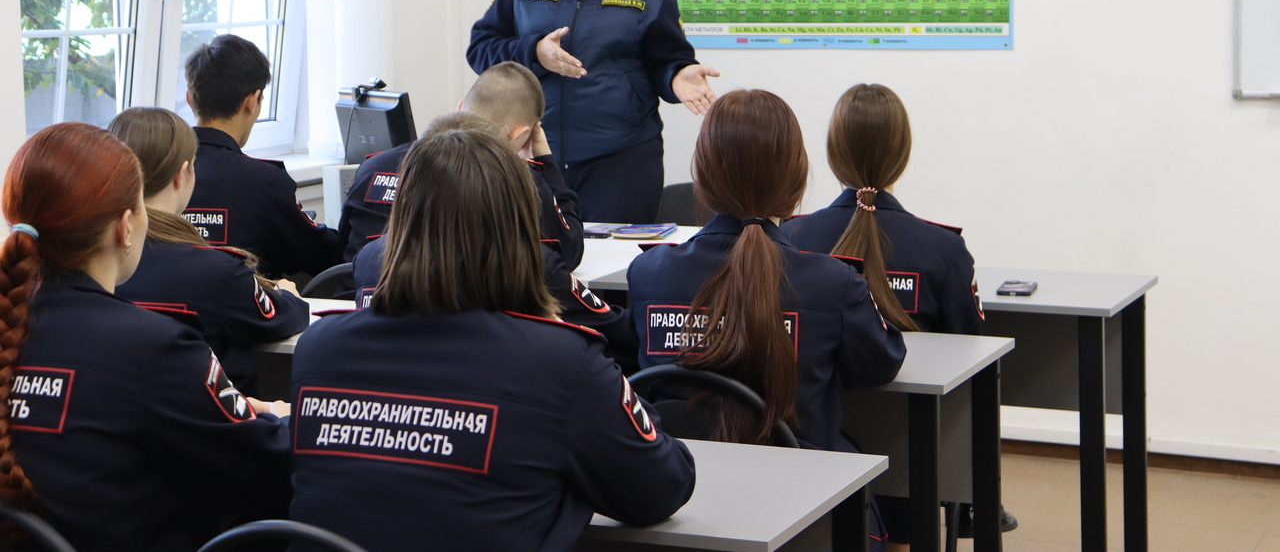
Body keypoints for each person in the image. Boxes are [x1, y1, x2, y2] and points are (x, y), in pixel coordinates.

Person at [289, 126, 695, 552]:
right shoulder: (562, 362)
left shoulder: (321, 347)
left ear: (400, 223)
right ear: (519, 228)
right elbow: (662, 486)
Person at [626, 89, 906, 550]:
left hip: (681, 502)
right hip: (803, 507)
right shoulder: (832, 282)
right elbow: (881, 363)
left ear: (702, 177)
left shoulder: (649, 272)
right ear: (796, 179)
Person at [0, 122, 292, 552]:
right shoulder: (156, 347)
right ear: (125, 227)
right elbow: (265, 472)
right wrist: (278, 420)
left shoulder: (16, 326)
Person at [784, 83, 1001, 548]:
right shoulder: (943, 249)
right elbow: (974, 352)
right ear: (902, 155)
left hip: (813, 443)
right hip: (914, 452)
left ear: (833, 153)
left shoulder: (793, 238)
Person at [467, 0, 721, 223]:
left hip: (620, 160)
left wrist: (677, 76)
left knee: (614, 257)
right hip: (531, 153)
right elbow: (481, 49)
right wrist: (535, 52)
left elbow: (667, 60)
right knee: (534, 254)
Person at [351, 112, 637, 368]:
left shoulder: (369, 261)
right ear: (507, 196)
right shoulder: (532, 264)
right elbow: (620, 336)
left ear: (406, 197)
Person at [109, 107, 311, 396]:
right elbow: (285, 319)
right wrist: (287, 295)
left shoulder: (96, 264)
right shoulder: (219, 272)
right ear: (182, 175)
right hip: (212, 418)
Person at [338, 62, 583, 269]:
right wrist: (545, 162)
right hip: (449, 307)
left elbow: (344, 249)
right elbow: (568, 251)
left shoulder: (372, 167)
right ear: (520, 135)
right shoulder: (517, 181)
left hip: (359, 302)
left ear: (460, 106)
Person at [183, 33, 343, 278]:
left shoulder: (157, 171)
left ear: (189, 99)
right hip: (243, 303)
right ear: (252, 101)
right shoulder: (265, 182)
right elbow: (321, 255)